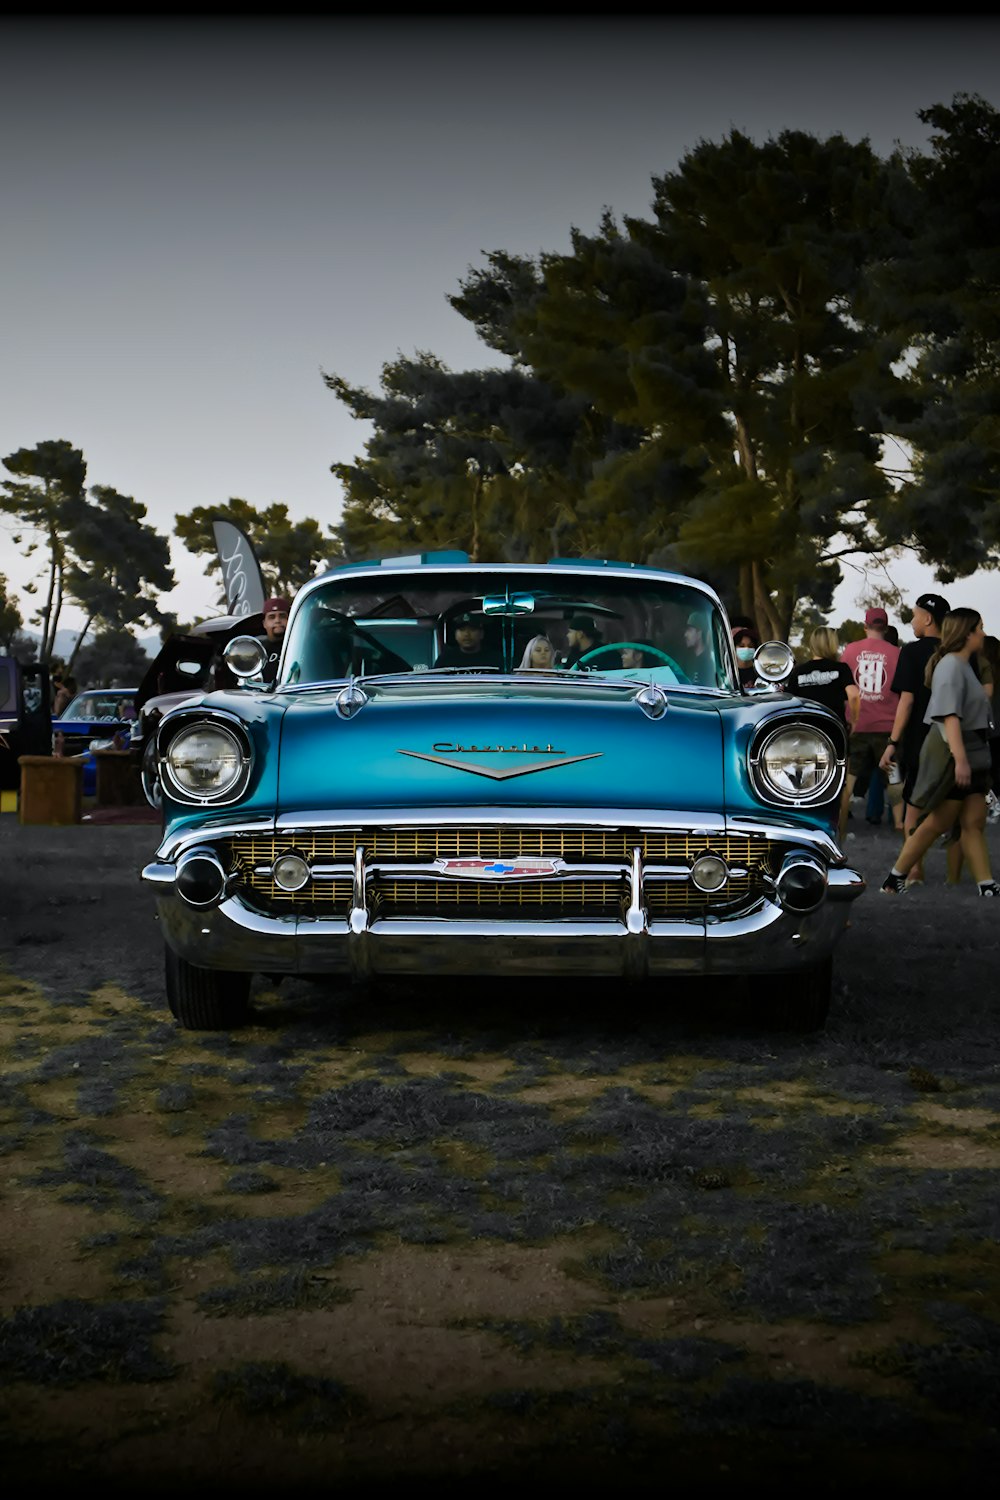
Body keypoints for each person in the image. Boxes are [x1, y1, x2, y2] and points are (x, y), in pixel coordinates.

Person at [880, 608, 999, 898]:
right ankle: (894, 878)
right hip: (954, 754)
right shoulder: (950, 666)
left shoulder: (963, 664)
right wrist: (960, 760)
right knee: (939, 821)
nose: (983, 634)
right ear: (967, 633)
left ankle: (986, 885)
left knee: (972, 822)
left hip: (972, 752)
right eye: (979, 628)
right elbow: (949, 717)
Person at [878, 591, 950, 887]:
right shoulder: (956, 652)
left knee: (914, 809)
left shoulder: (913, 652)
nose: (911, 621)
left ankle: (915, 870)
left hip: (921, 741)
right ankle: (955, 874)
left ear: (928, 618)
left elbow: (906, 702)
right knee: (952, 810)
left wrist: (893, 742)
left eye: (915, 615)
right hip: (953, 740)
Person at [841, 608, 902, 835]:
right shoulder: (896, 653)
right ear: (885, 628)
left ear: (865, 626)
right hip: (887, 725)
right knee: (894, 777)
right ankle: (899, 822)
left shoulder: (849, 651)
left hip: (857, 723)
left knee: (850, 779)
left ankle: (840, 821)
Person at [257, 595, 291, 685]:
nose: (277, 620)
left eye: (282, 616)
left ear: (290, 619)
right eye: (272, 617)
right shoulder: (257, 651)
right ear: (264, 624)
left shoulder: (301, 646)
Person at [682, 611, 713, 685]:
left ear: (699, 633)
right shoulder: (688, 659)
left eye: (689, 630)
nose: (685, 634)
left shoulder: (708, 662)